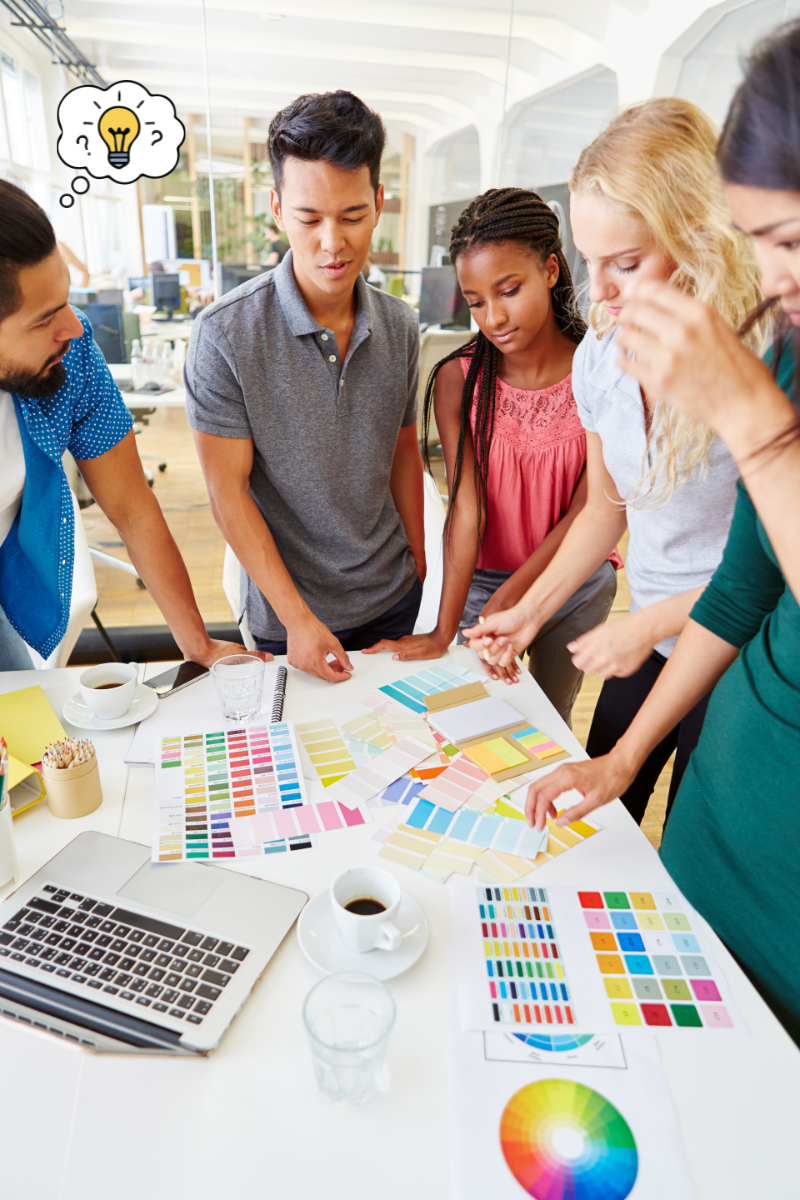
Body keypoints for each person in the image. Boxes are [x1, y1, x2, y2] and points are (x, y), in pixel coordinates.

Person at [523, 20, 800, 1043]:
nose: (774, 279)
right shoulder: (757, 356)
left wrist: (754, 432)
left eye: (786, 242)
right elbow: (740, 585)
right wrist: (619, 757)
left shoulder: (756, 367)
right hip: (718, 810)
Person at [465, 99, 763, 824]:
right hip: (647, 639)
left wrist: (646, 621)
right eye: (592, 262)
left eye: (626, 264)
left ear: (701, 240)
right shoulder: (602, 351)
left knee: (699, 841)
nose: (598, 294)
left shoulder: (763, 358)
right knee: (602, 818)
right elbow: (605, 508)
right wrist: (529, 614)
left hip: (744, 660)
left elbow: (771, 578)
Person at [185, 90, 425, 684]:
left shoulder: (400, 326)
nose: (331, 243)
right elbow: (227, 492)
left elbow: (402, 452)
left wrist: (425, 568)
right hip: (287, 612)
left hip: (393, 596)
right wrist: (296, 619)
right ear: (275, 208)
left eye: (351, 216)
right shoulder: (223, 336)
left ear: (379, 203)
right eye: (308, 218)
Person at [364, 188, 620, 725]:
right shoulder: (460, 380)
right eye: (476, 301)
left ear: (551, 270)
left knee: (549, 719)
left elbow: (587, 511)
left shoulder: (599, 370)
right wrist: (443, 629)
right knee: (471, 718)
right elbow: (466, 511)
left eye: (509, 290)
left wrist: (517, 593)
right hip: (482, 585)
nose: (494, 317)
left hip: (574, 580)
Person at [0, 181, 264, 672]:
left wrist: (198, 644)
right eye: (43, 320)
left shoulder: (71, 356)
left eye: (66, 300)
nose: (74, 329)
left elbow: (130, 504)